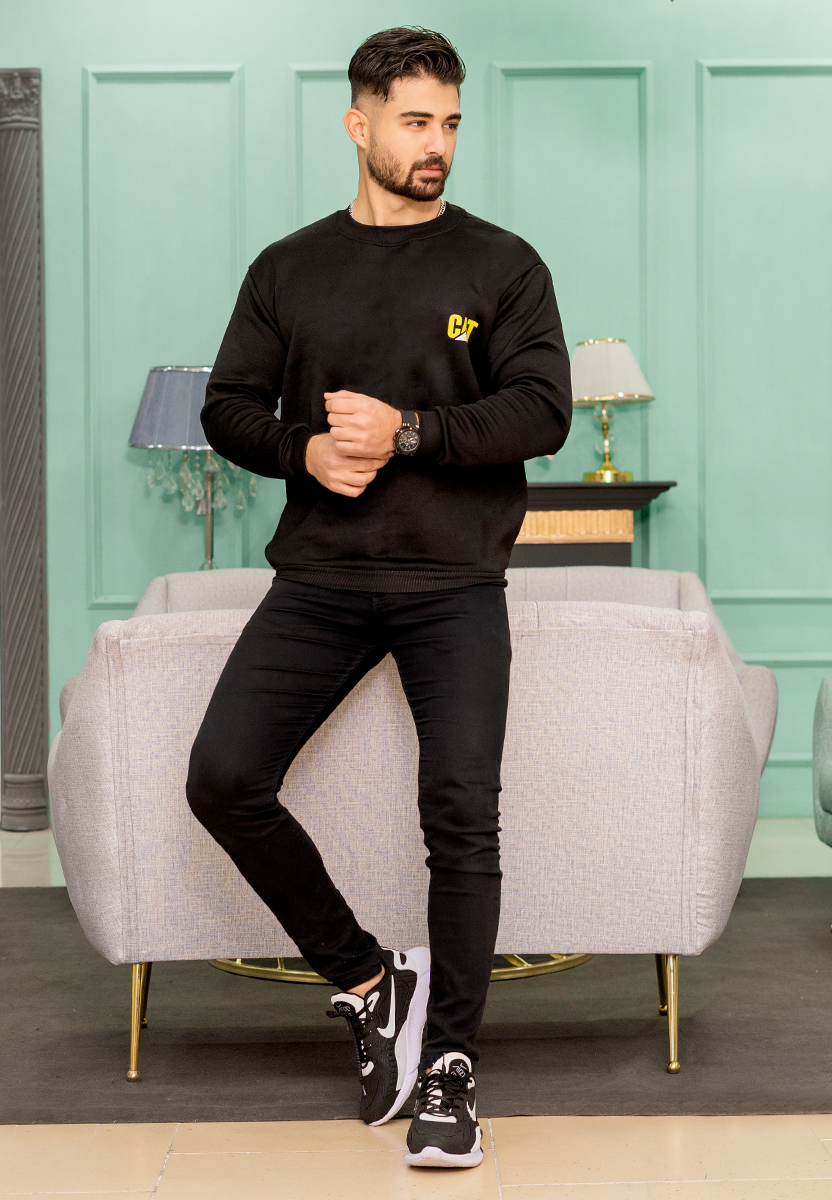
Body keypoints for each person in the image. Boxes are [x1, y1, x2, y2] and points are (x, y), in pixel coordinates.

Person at [189, 25, 572, 1169]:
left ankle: (450, 1066)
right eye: (414, 121)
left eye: (449, 122)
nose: (436, 143)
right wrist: (304, 451)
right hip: (320, 576)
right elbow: (227, 407)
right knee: (223, 778)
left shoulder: (503, 263)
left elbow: (542, 411)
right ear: (359, 125)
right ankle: (368, 982)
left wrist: (409, 431)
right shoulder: (287, 268)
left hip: (454, 581)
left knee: (460, 814)